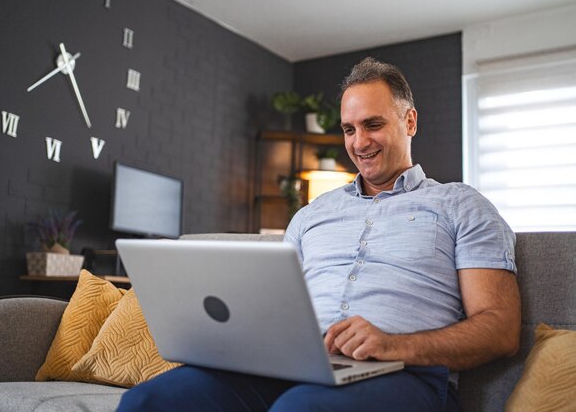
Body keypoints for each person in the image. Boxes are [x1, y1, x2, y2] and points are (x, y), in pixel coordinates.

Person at [116, 57, 521, 412]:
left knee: (302, 408)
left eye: (373, 125)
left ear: (409, 121)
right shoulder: (311, 215)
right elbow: (267, 309)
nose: (359, 143)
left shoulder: (461, 205)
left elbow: (501, 330)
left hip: (405, 376)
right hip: (292, 365)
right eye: (348, 129)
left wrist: (393, 345)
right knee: (148, 401)